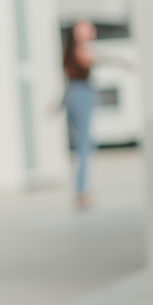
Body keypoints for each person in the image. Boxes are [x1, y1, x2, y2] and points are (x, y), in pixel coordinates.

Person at [62, 19, 98, 208]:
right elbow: (89, 61)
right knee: (85, 144)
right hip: (81, 94)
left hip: (73, 93)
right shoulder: (81, 49)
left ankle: (81, 190)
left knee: (83, 144)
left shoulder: (70, 50)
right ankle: (81, 192)